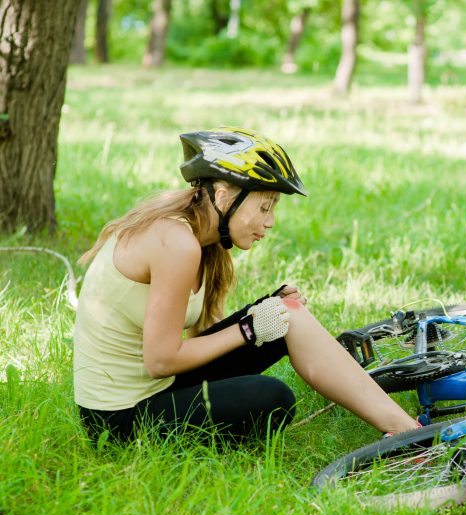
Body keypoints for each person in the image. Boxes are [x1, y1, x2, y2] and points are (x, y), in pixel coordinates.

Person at [73, 126, 419, 443]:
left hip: (157, 388)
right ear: (223, 197)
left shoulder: (201, 238)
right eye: (264, 207)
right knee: (272, 397)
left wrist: (267, 314)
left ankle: (404, 429)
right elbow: (161, 361)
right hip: (118, 419)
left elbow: (201, 342)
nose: (270, 222)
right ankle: (408, 434)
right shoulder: (176, 242)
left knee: (287, 314)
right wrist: (249, 330)